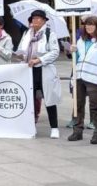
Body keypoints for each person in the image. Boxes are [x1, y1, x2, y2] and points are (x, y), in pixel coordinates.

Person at [15, 10, 62, 138]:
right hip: (29, 70)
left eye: (38, 19)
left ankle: (54, 127)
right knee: (30, 99)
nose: (35, 21)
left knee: (49, 99)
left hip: (44, 69)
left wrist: (39, 60)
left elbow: (55, 52)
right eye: (33, 18)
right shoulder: (27, 34)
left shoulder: (49, 34)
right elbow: (21, 50)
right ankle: (31, 126)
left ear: (44, 21)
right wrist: (20, 56)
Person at [69, 16, 97, 144]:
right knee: (78, 105)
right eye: (87, 24)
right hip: (80, 76)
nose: (88, 27)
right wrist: (72, 51)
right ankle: (77, 131)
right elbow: (76, 59)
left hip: (95, 77)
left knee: (95, 106)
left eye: (91, 25)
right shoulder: (81, 40)